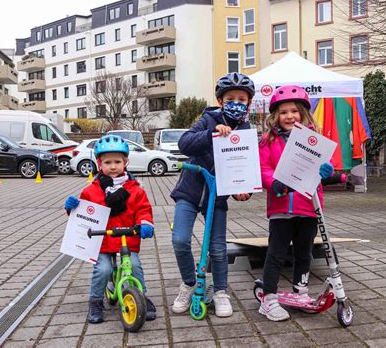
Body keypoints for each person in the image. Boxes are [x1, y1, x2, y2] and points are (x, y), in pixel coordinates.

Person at [170, 72, 255, 317]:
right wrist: (211, 134)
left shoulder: (247, 129)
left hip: (217, 198)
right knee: (180, 240)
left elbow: (246, 167)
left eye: (242, 98)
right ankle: (189, 283)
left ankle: (220, 291)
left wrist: (244, 191)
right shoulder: (208, 119)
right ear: (221, 101)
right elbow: (185, 143)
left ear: (248, 102)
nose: (236, 102)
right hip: (190, 191)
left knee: (218, 249)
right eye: (231, 98)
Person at [258, 85, 334, 321]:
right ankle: (268, 299)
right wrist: (274, 183)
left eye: (294, 111)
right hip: (281, 208)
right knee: (276, 254)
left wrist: (327, 171)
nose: (289, 116)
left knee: (304, 253)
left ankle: (301, 291)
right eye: (283, 112)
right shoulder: (268, 141)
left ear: (302, 112)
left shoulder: (315, 140)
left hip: (308, 207)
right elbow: (263, 168)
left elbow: (322, 171)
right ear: (276, 116)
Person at [64, 135, 157, 323]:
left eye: (117, 162)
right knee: (104, 269)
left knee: (135, 266)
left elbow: (143, 210)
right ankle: (96, 300)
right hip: (103, 240)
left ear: (126, 162)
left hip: (126, 239)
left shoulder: (135, 189)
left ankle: (142, 296)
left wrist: (145, 223)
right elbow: (83, 215)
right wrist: (71, 208)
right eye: (107, 162)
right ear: (99, 164)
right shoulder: (92, 190)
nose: (113, 167)